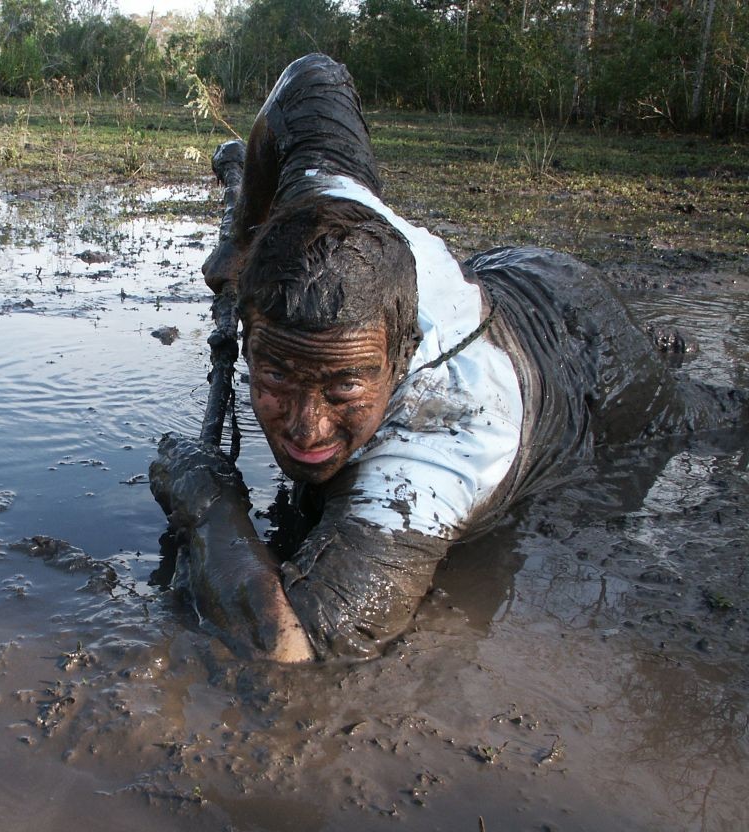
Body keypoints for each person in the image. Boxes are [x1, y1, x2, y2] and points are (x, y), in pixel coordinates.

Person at [149, 53, 742, 664]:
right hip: (503, 274)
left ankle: (665, 359)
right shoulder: (326, 207)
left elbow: (293, 648)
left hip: (592, 370)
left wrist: (205, 501)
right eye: (275, 373)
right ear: (249, 332)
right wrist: (242, 241)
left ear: (403, 357)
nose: (307, 425)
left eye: (345, 384)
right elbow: (311, 78)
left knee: (707, 418)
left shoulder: (441, 447)